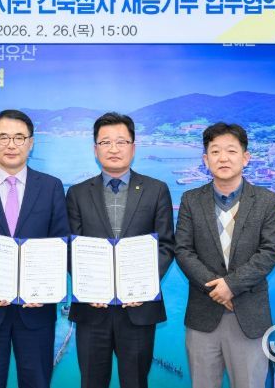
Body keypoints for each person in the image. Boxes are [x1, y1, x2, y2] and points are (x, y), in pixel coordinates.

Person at [0, 109, 70, 388]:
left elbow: (61, 243)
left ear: (31, 142)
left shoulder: (51, 187)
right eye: (3, 137)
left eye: (19, 137)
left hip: (37, 309)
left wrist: (44, 287)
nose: (11, 144)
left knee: (37, 382)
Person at [66, 112, 175, 388]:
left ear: (133, 147)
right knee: (91, 382)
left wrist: (142, 286)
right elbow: (70, 248)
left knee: (136, 382)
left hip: (138, 310)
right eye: (105, 142)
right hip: (92, 310)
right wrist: (89, 287)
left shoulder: (156, 190)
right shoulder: (77, 193)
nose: (113, 149)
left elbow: (166, 245)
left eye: (121, 142)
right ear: (95, 149)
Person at [175, 122, 275, 388]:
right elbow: (183, 250)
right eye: (215, 151)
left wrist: (231, 286)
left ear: (245, 157)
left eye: (231, 151)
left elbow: (269, 251)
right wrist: (217, 289)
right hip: (203, 316)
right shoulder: (191, 200)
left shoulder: (267, 200)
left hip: (249, 316)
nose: (223, 158)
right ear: (205, 160)